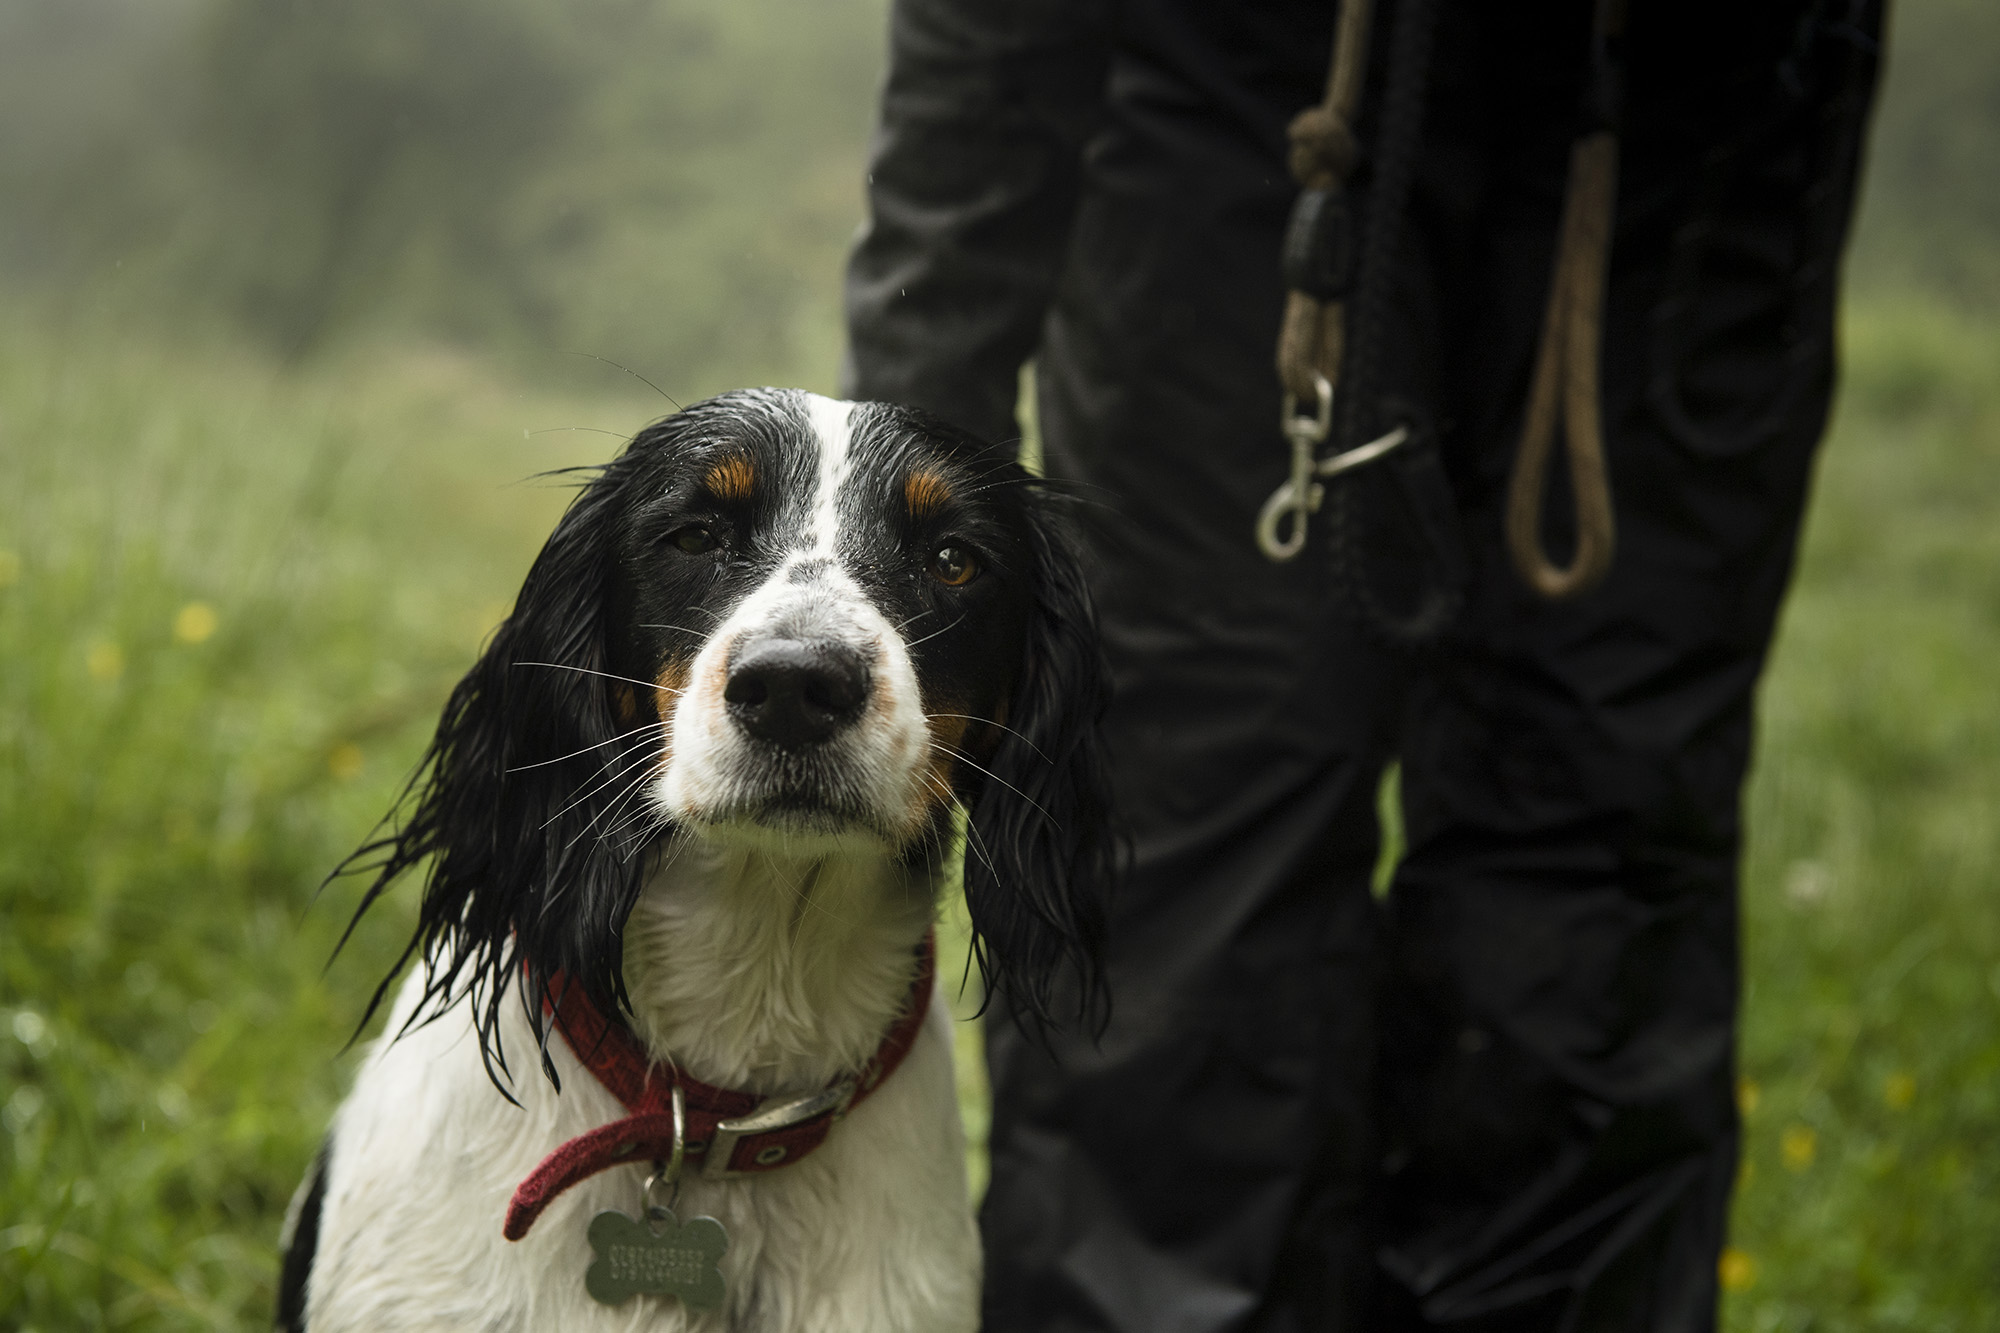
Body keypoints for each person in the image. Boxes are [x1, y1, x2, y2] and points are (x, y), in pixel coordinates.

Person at [841, 1, 1883, 1328]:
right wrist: (912, 447)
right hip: (1254, 94)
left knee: (1604, 824)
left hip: (1708, 109)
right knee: (1182, 823)